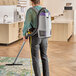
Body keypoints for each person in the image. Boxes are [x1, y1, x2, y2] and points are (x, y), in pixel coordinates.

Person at [23, 0, 49, 76]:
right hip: (45, 36)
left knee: (35, 58)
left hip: (35, 36)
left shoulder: (30, 10)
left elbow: (26, 24)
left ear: (31, 2)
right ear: (39, 2)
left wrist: (24, 34)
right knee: (44, 56)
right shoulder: (45, 10)